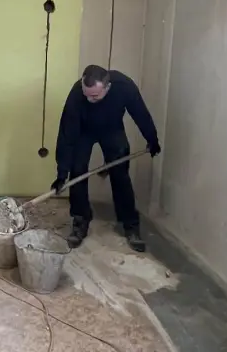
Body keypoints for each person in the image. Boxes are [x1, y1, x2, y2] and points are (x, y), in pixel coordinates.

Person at [52, 64, 161, 253]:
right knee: (77, 171)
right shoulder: (77, 94)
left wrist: (152, 139)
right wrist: (62, 173)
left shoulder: (124, 86)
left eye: (94, 96)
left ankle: (130, 225)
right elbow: (67, 133)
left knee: (120, 174)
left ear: (108, 87)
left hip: (112, 129)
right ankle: (80, 220)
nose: (89, 99)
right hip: (83, 131)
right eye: (86, 95)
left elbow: (140, 114)